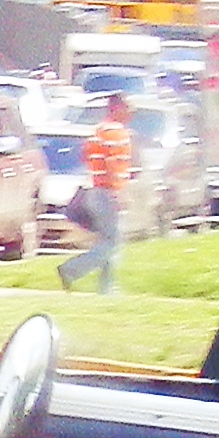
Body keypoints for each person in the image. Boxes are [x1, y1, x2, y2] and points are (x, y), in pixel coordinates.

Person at [60, 93, 134, 293]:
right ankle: (71, 270)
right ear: (116, 108)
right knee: (112, 244)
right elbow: (112, 164)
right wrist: (119, 191)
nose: (131, 112)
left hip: (95, 189)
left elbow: (86, 156)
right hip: (108, 192)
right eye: (128, 107)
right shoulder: (117, 132)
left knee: (106, 241)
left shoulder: (98, 131)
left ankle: (107, 288)